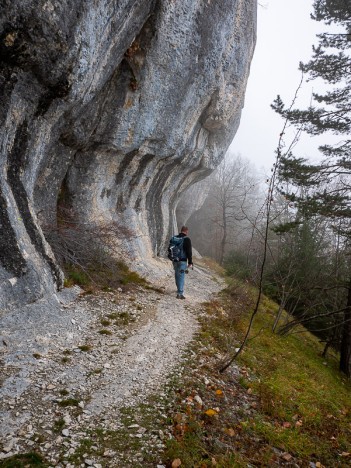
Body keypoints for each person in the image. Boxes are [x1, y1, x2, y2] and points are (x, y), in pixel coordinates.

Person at [173, 226, 193, 299]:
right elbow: (189, 252)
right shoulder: (187, 239)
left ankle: (178, 289)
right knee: (181, 276)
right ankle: (180, 293)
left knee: (177, 274)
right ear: (186, 231)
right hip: (182, 260)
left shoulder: (175, 238)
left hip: (175, 260)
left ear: (181, 230)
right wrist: (190, 262)